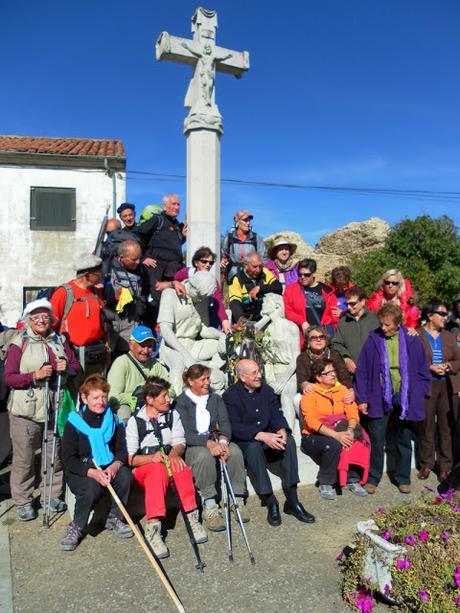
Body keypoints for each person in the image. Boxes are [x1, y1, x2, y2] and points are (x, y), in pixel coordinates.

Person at [4, 299, 80, 521]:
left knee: (53, 454)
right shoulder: (19, 343)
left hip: (54, 407)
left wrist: (69, 368)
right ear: (29, 320)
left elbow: (75, 366)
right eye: (36, 317)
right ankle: (23, 500)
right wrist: (34, 376)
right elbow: (9, 378)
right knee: (24, 458)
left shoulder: (60, 340)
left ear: (51, 319)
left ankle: (52, 495)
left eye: (45, 317)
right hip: (25, 410)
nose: (41, 321)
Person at [223, 359, 315, 526]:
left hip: (268, 437)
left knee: (290, 441)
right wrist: (259, 434)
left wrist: (281, 429)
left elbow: (276, 414)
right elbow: (234, 426)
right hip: (246, 440)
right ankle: (270, 499)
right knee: (253, 447)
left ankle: (292, 500)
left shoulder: (266, 390)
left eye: (259, 371)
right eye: (254, 373)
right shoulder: (231, 395)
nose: (259, 375)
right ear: (242, 377)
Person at [125, 376, 207, 559]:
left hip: (168, 457)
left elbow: (180, 442)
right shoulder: (135, 422)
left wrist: (174, 454)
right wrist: (151, 458)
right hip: (146, 465)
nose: (168, 400)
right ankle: (153, 529)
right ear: (150, 400)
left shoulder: (172, 415)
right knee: (157, 472)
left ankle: (192, 518)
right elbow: (131, 459)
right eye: (163, 396)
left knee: (182, 469)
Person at [354, 304, 431, 494]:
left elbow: (422, 370)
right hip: (379, 395)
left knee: (404, 438)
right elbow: (362, 370)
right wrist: (362, 398)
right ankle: (373, 478)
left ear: (398, 324)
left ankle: (403, 478)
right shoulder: (374, 339)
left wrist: (419, 393)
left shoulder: (412, 340)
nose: (383, 327)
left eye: (387, 324)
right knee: (377, 438)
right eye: (382, 324)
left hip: (405, 396)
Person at [60, 375, 133, 550]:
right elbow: (68, 459)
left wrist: (115, 466)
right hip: (82, 469)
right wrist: (91, 472)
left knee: (126, 477)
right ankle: (77, 526)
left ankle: (114, 517)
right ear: (84, 398)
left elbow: (121, 450)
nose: (100, 402)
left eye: (103, 397)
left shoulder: (113, 420)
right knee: (91, 488)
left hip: (108, 465)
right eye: (95, 398)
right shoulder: (75, 422)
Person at [174, 364, 248, 532]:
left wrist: (222, 442)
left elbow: (225, 423)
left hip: (215, 439)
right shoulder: (181, 402)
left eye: (208, 378)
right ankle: (210, 505)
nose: (207, 382)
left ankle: (237, 498)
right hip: (194, 445)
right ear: (190, 381)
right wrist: (208, 444)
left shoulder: (215, 399)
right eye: (203, 379)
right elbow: (185, 432)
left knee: (234, 452)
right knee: (203, 457)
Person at [300, 359, 368, 500]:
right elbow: (311, 421)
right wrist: (336, 435)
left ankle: (352, 479)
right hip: (314, 435)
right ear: (319, 377)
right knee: (334, 445)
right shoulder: (310, 393)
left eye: (333, 371)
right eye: (328, 372)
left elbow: (352, 412)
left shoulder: (342, 390)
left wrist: (350, 430)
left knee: (358, 439)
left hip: (340, 428)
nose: (333, 375)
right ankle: (326, 482)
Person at [158, 271, 226, 394]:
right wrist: (186, 356)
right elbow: (166, 331)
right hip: (171, 347)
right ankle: (176, 401)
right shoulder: (169, 294)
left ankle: (210, 375)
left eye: (204, 297)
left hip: (193, 345)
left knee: (222, 347)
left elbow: (204, 329)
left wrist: (221, 336)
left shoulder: (202, 299)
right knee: (178, 364)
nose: (201, 299)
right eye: (199, 295)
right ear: (191, 284)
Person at [50, 254, 106, 400]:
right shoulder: (63, 293)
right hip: (73, 355)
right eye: (98, 272)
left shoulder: (96, 292)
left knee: (95, 395)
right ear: (87, 275)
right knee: (75, 396)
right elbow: (52, 325)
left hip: (96, 355)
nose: (102, 275)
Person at [416, 299, 460, 481]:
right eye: (441, 314)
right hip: (426, 384)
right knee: (426, 425)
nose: (445, 317)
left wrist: (449, 365)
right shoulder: (416, 336)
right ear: (429, 316)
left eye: (446, 314)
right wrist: (430, 367)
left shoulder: (449, 336)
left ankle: (445, 466)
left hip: (447, 385)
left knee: (446, 425)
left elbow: (459, 360)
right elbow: (411, 361)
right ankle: (426, 464)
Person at [107, 325, 171, 422]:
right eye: (142, 345)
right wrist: (137, 398)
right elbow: (112, 396)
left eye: (149, 346)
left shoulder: (155, 364)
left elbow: (170, 388)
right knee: (124, 410)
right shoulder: (121, 363)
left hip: (153, 405)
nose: (145, 351)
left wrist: (156, 398)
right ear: (131, 345)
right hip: (129, 408)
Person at [134, 193, 187, 305]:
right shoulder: (157, 220)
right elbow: (137, 236)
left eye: (178, 204)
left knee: (172, 302)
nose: (177, 207)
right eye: (174, 204)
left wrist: (183, 237)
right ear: (164, 206)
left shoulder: (177, 226)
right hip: (156, 269)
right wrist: (143, 257)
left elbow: (169, 245)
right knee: (156, 301)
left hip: (173, 269)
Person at [103, 239, 151, 356]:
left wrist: (173, 283)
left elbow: (154, 286)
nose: (138, 262)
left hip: (131, 320)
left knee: (130, 357)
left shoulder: (142, 270)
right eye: (134, 259)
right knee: (106, 357)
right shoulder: (106, 268)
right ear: (121, 258)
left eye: (139, 258)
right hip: (110, 321)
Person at [283, 258, 338, 350]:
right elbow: (287, 310)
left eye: (306, 275)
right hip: (302, 340)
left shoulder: (327, 291)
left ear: (314, 274)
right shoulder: (291, 290)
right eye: (300, 274)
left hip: (322, 340)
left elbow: (333, 316)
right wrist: (302, 322)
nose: (303, 277)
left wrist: (330, 333)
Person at [173, 246, 231, 333]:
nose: (208, 265)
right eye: (204, 261)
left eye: (211, 262)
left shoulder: (212, 281)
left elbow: (218, 303)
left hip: (201, 315)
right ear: (196, 262)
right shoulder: (186, 272)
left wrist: (226, 324)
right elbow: (174, 281)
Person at [331, 286, 379, 376]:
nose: (349, 307)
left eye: (353, 304)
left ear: (363, 301)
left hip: (374, 370)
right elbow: (336, 343)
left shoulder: (375, 319)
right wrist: (346, 358)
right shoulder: (343, 322)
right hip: (353, 373)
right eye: (347, 304)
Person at [296, 325, 353, 395]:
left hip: (335, 390)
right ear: (308, 342)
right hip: (314, 392)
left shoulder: (334, 354)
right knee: (297, 399)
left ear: (326, 340)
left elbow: (344, 378)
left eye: (321, 337)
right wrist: (305, 385)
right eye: (314, 337)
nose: (318, 340)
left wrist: (350, 391)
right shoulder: (302, 358)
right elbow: (301, 380)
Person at [228, 252, 282, 324]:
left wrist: (260, 288)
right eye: (255, 266)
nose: (258, 270)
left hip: (264, 319)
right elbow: (235, 303)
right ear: (246, 266)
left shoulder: (265, 272)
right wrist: (242, 320)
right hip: (246, 319)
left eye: (260, 266)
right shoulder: (236, 279)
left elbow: (278, 287)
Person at [221, 210, 266, 283]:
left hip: (252, 278)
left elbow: (263, 258)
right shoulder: (229, 238)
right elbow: (224, 255)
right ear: (237, 222)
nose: (248, 223)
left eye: (249, 220)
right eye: (245, 220)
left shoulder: (256, 238)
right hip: (233, 277)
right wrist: (223, 261)